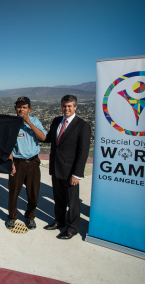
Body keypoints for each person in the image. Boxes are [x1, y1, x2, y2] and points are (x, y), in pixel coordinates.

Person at [44, 95, 90, 240]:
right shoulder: (57, 121)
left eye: (69, 106)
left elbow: (83, 152)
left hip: (71, 171)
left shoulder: (83, 125)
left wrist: (77, 174)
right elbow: (48, 138)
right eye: (64, 106)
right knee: (58, 198)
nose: (66, 109)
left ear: (75, 107)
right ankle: (59, 221)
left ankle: (72, 228)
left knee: (73, 202)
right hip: (56, 168)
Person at [6, 97, 47, 230]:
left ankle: (30, 217)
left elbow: (43, 137)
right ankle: (12, 217)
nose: (21, 109)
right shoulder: (11, 123)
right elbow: (8, 146)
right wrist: (11, 163)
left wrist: (29, 123)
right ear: (15, 108)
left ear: (29, 109)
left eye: (24, 107)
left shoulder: (35, 121)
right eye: (19, 106)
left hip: (33, 162)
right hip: (18, 162)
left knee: (33, 193)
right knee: (13, 193)